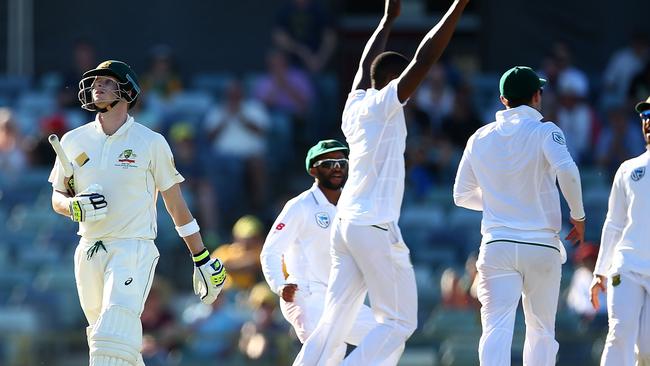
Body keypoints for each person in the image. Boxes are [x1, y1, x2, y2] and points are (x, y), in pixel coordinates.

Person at [293, 0, 469, 364]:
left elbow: (363, 66)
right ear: (393, 82)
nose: (413, 91)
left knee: (335, 322)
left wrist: (388, 19)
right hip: (374, 223)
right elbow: (425, 59)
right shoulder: (385, 104)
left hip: (347, 225)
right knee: (400, 322)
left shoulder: (355, 105)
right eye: (407, 84)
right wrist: (457, 6)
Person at [48, 60, 226, 366]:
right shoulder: (73, 139)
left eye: (106, 81)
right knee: (112, 344)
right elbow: (58, 196)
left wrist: (202, 257)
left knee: (112, 338)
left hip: (132, 246)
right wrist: (73, 207)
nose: (97, 87)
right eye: (94, 83)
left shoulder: (150, 142)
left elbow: (175, 205)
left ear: (127, 90)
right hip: (89, 248)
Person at [453, 66, 586, 365]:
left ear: (503, 99)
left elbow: (461, 195)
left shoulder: (479, 137)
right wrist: (578, 216)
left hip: (497, 246)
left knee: (495, 330)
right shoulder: (546, 131)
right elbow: (567, 170)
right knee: (540, 332)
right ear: (537, 96)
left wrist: (501, 202)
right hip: (541, 246)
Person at [260, 139, 401, 364]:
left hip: (342, 297)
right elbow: (270, 252)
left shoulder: (355, 206)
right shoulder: (301, 206)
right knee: (327, 349)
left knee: (389, 341)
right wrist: (279, 284)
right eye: (328, 163)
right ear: (313, 169)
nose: (337, 168)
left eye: (341, 163)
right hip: (306, 294)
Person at [590, 96, 650, 365]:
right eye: (645, 115)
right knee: (619, 334)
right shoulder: (629, 169)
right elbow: (613, 223)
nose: (647, 121)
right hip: (626, 267)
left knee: (647, 351)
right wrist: (600, 270)